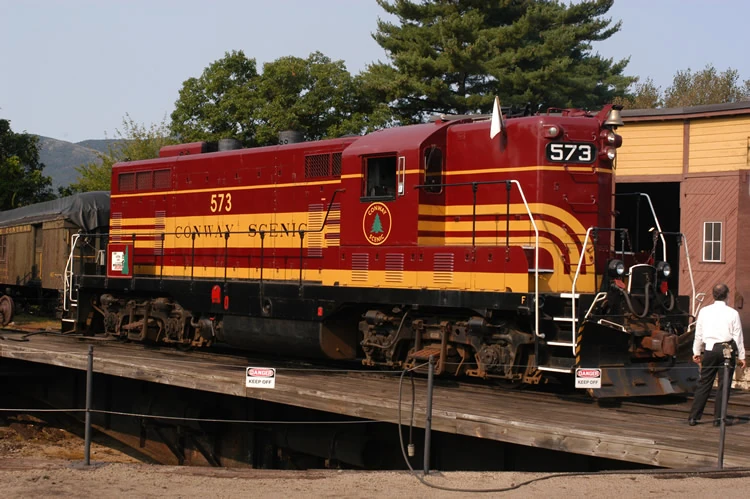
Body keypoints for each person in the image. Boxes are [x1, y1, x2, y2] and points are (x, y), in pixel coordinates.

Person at [688, 283, 746, 426]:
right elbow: (738, 336)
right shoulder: (733, 313)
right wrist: (742, 356)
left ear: (713, 295)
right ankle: (718, 419)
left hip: (709, 349)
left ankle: (693, 417)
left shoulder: (704, 311)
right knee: (724, 385)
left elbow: (698, 334)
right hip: (727, 350)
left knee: (704, 383)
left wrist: (696, 351)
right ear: (727, 295)